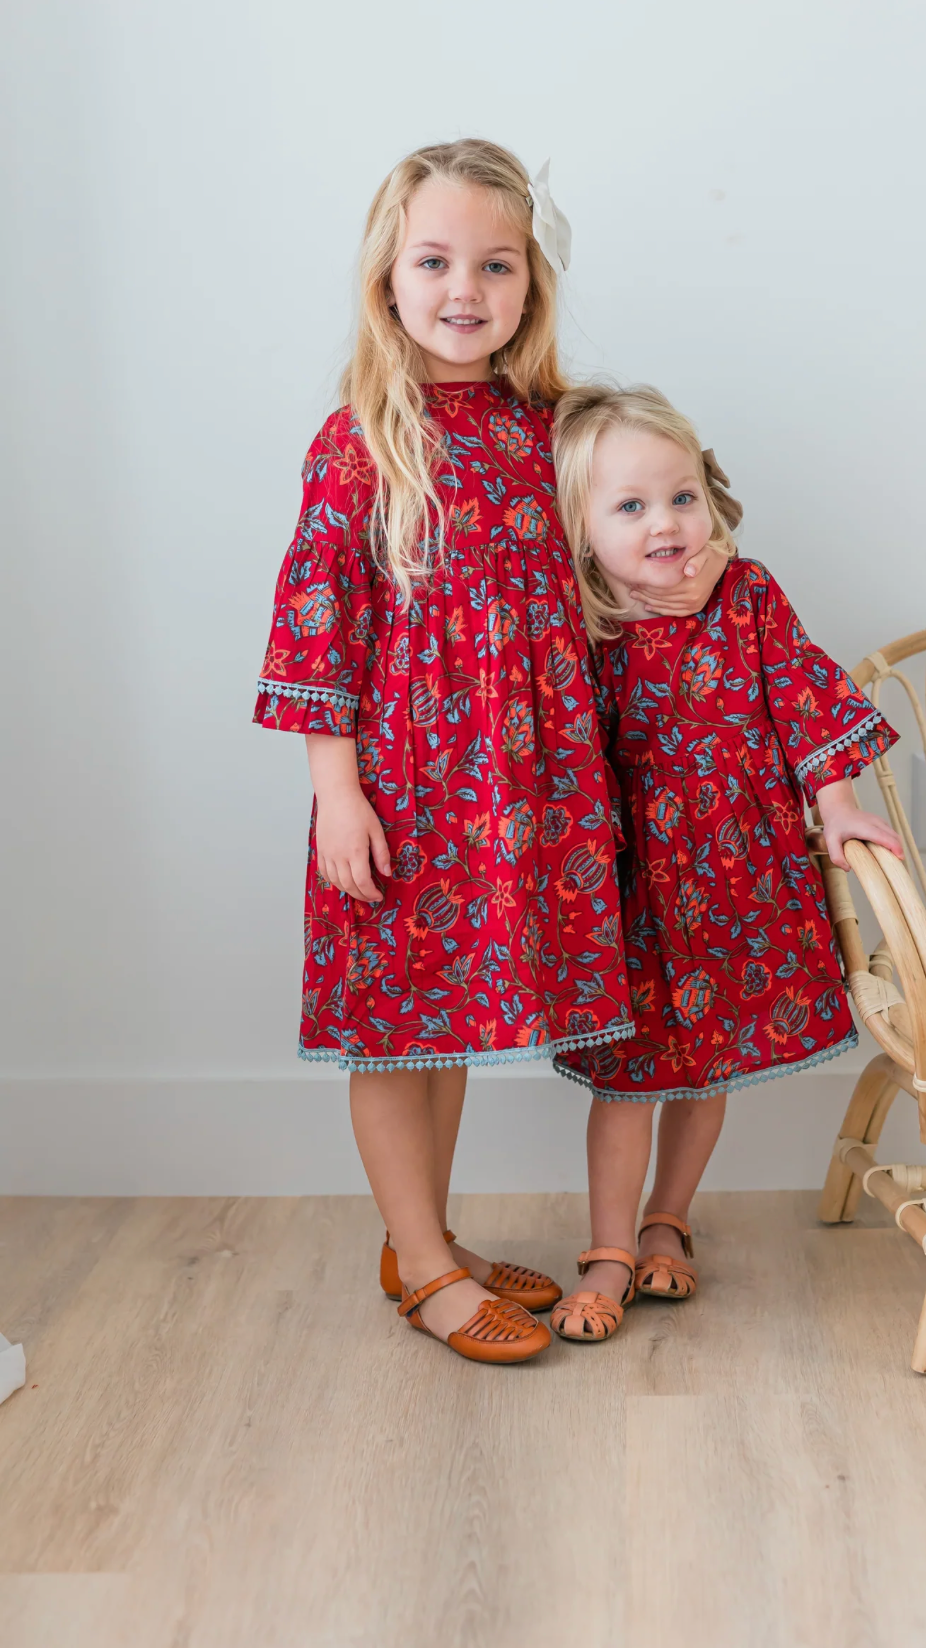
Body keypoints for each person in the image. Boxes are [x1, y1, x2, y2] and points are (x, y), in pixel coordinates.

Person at [254, 146, 719, 1363]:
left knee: (448, 1023)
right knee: (392, 1025)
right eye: (435, 260)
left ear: (529, 283)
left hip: (522, 787)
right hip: (403, 788)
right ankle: (421, 1259)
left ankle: (426, 1242)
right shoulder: (362, 440)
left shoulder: (547, 433)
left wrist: (704, 579)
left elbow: (632, 549)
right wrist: (333, 790)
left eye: (495, 263)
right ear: (388, 279)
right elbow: (317, 621)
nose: (466, 285)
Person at [548, 384, 902, 1342]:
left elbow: (801, 693)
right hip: (631, 888)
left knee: (705, 1071)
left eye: (682, 496)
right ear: (577, 529)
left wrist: (837, 807)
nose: (665, 522)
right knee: (631, 1082)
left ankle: (670, 1217)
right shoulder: (576, 619)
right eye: (629, 506)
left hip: (736, 875)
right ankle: (610, 1246)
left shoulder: (748, 596)